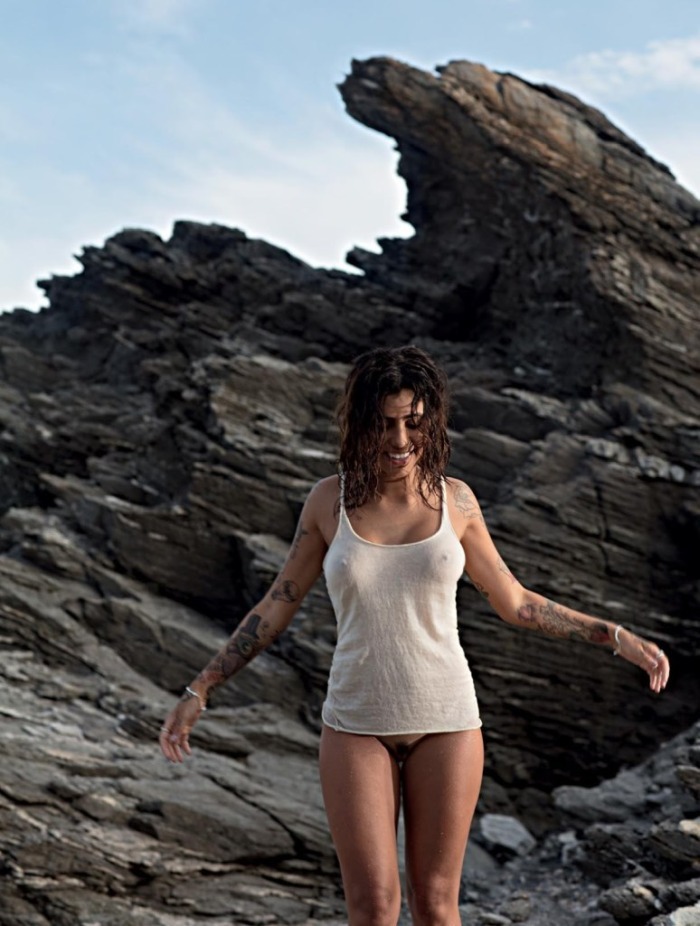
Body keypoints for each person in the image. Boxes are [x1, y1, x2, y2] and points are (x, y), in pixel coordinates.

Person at [159, 346, 670, 926]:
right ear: (362, 424)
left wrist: (613, 635)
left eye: (414, 422)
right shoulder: (329, 501)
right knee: (374, 907)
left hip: (447, 720)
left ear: (432, 422)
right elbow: (277, 604)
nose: (400, 439)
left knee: (436, 905)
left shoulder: (457, 501)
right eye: (385, 424)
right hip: (355, 721)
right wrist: (201, 687)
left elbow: (518, 603)